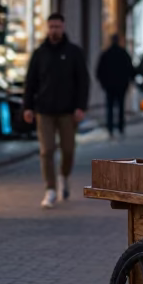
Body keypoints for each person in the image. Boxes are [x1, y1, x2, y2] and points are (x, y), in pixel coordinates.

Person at [23, 12, 89, 209]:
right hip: (44, 110)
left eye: (57, 27)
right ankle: (50, 189)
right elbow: (30, 82)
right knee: (47, 150)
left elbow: (83, 81)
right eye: (51, 27)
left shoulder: (74, 52)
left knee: (68, 149)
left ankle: (64, 176)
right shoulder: (39, 53)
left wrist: (80, 106)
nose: (54, 30)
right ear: (47, 28)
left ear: (63, 27)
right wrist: (27, 107)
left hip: (68, 111)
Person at [96, 34, 134, 139]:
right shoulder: (123, 53)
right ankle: (121, 128)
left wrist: (104, 84)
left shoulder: (106, 54)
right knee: (120, 107)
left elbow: (99, 71)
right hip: (121, 86)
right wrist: (127, 82)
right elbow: (131, 70)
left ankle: (110, 129)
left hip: (110, 86)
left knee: (110, 108)